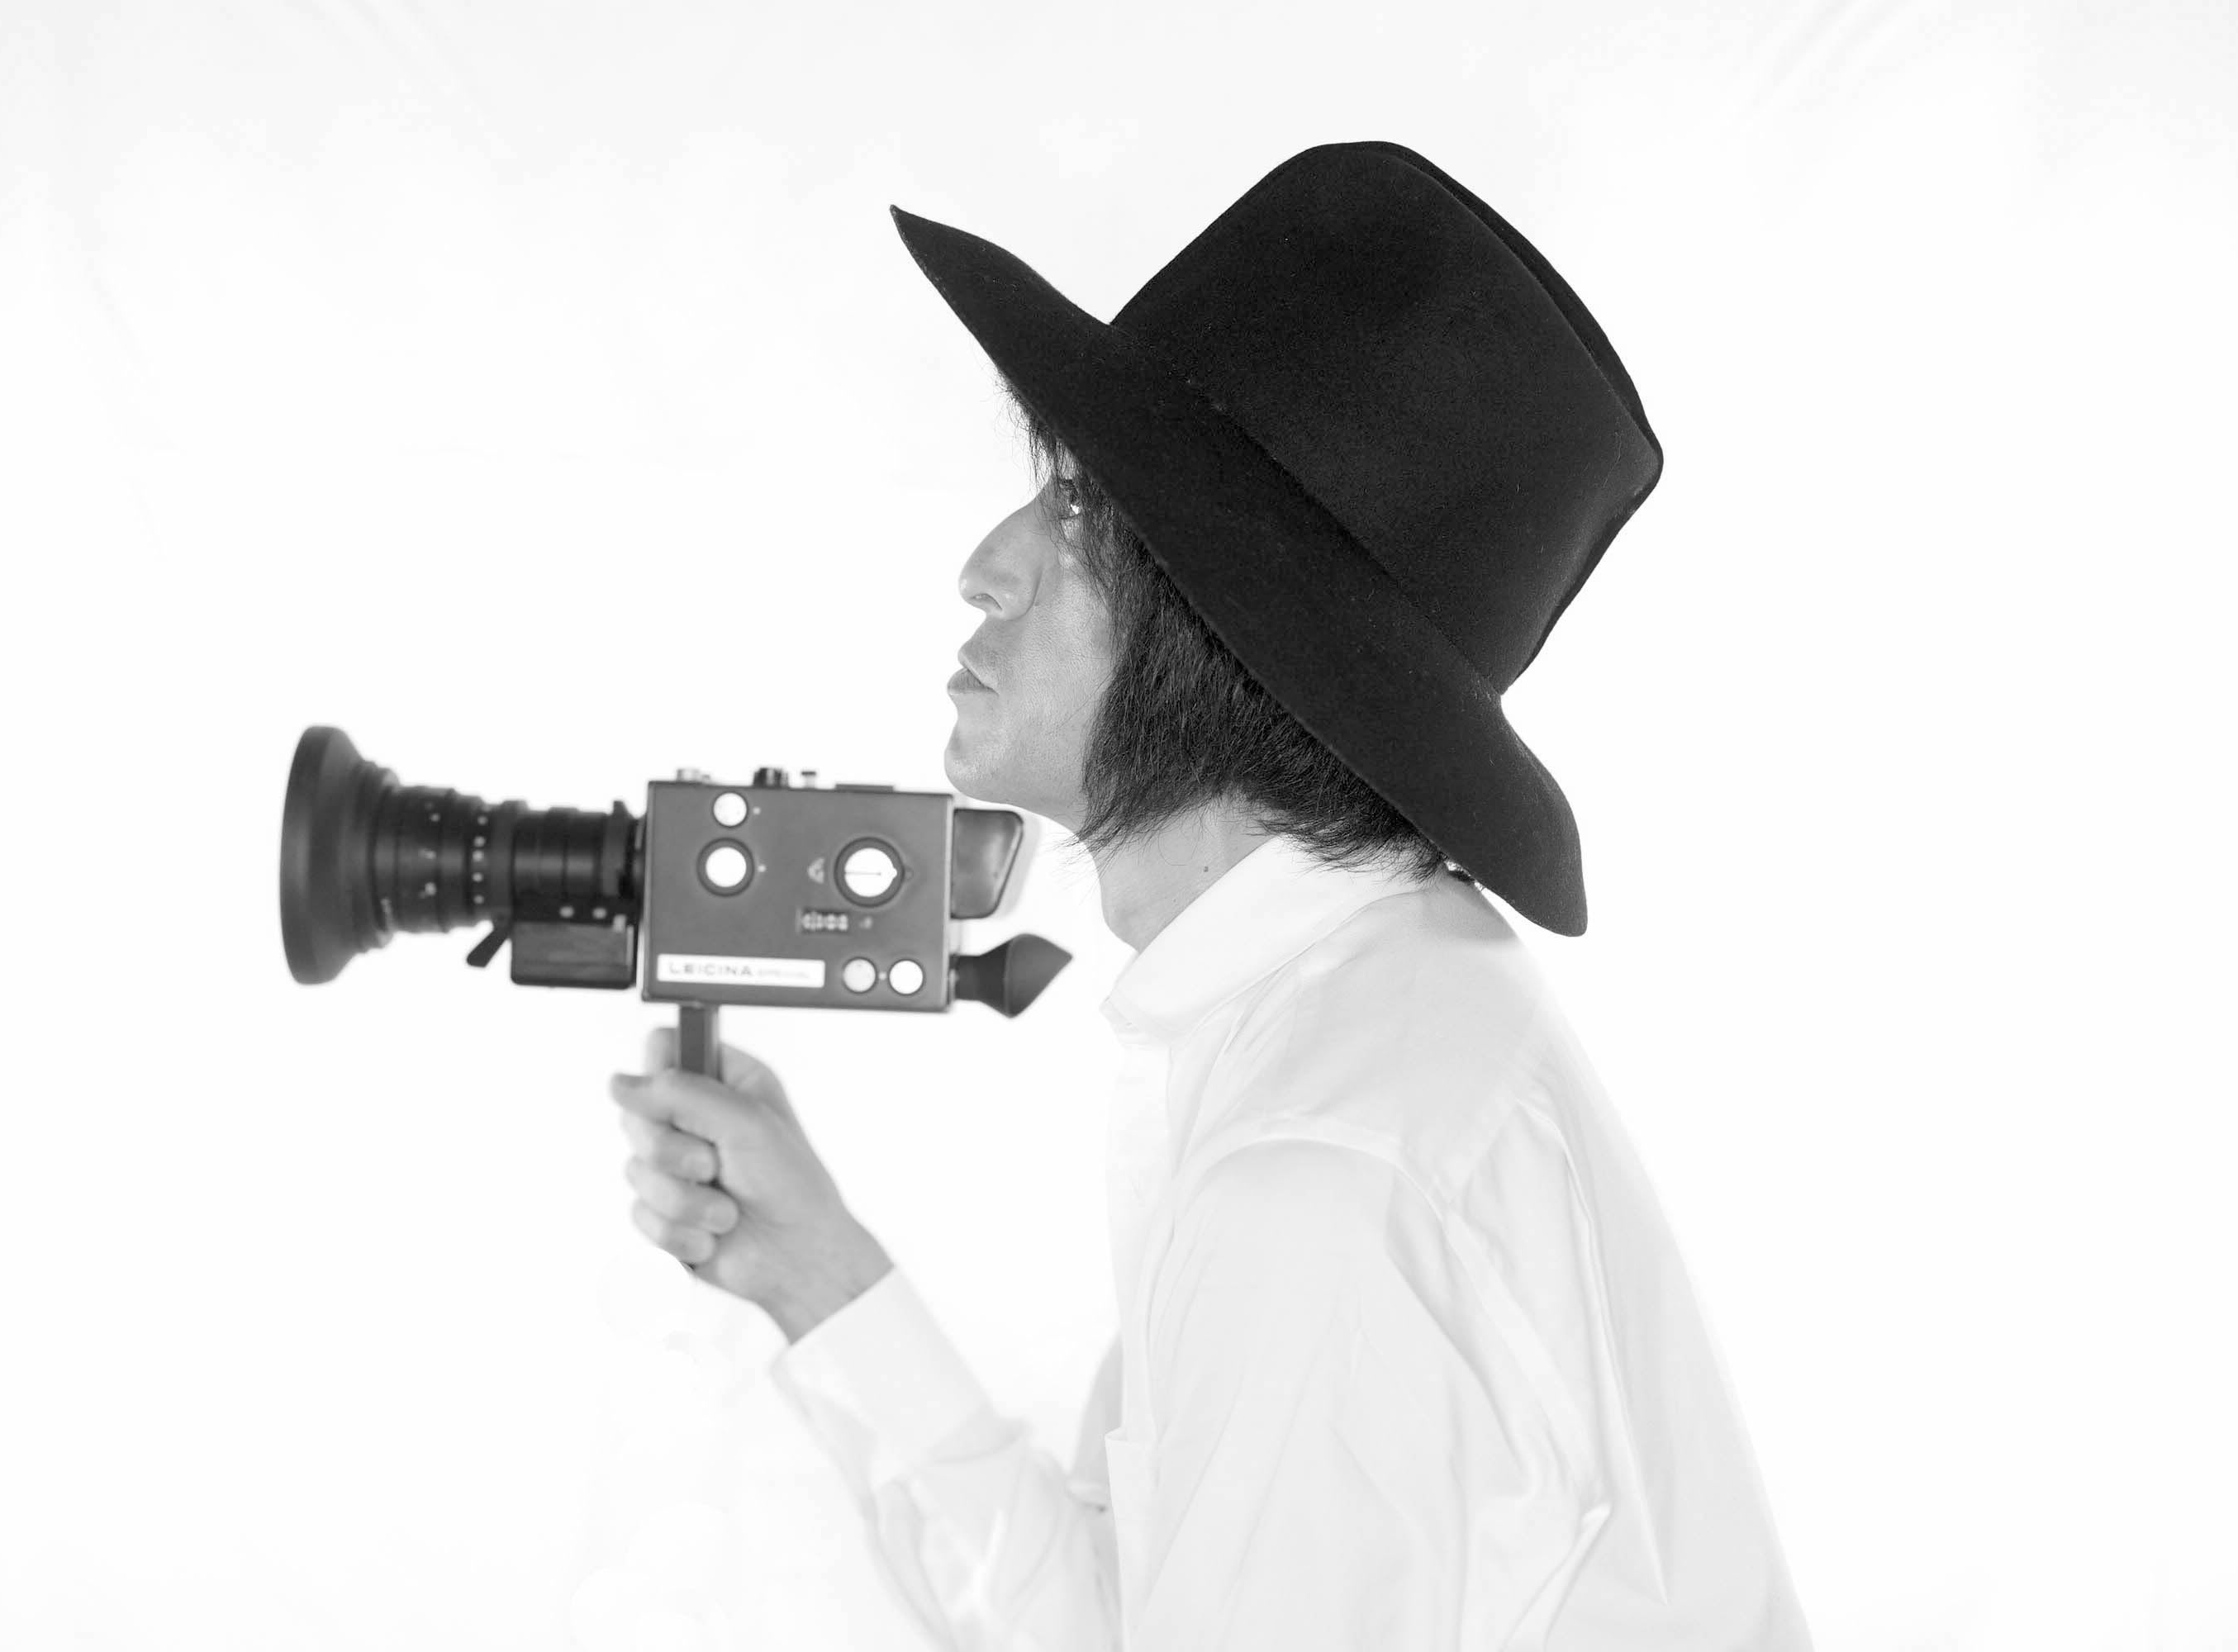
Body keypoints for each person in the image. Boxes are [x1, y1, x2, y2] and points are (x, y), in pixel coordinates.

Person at [610, 141, 1812, 1649]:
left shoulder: (1321, 1178)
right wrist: (813, 1270)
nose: (986, 568)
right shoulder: (1351, 1024)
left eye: (1077, 515)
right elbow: (1130, 1616)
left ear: (1240, 618)